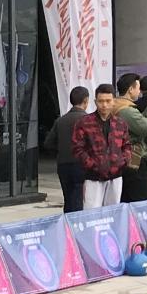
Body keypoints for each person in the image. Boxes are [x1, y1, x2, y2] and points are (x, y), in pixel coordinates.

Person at [74, 84, 133, 208]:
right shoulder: (84, 122)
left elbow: (127, 146)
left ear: (113, 101)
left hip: (116, 176)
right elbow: (77, 148)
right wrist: (93, 165)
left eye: (108, 101)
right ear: (95, 102)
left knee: (113, 212)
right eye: (101, 101)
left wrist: (122, 162)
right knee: (92, 213)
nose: (104, 105)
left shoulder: (120, 123)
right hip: (93, 177)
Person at [115, 73, 147, 201]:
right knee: (142, 201)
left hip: (126, 160)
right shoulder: (126, 110)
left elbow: (139, 124)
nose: (139, 91)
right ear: (131, 89)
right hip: (136, 162)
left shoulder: (119, 105)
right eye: (138, 88)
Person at [52, 85, 90, 213]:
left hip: (63, 164)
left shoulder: (60, 121)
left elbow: (48, 143)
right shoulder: (89, 121)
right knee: (79, 199)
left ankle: (67, 222)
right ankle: (76, 223)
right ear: (86, 101)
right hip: (82, 164)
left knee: (68, 199)